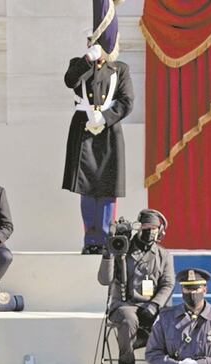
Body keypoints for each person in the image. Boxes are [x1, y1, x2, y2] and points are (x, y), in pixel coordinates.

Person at [62, 39, 135, 254]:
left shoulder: (120, 69)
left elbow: (127, 100)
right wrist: (88, 60)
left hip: (109, 130)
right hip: (83, 128)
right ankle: (90, 239)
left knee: (107, 186)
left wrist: (105, 117)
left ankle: (104, 239)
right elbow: (70, 81)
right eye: (92, 43)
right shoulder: (79, 63)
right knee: (86, 186)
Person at [97, 209, 175, 364]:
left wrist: (155, 304)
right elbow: (104, 280)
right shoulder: (122, 248)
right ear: (138, 228)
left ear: (160, 231)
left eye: (153, 228)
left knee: (171, 319)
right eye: (145, 227)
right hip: (125, 305)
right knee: (129, 319)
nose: (149, 231)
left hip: (151, 305)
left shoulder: (163, 255)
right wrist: (108, 254)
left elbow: (168, 284)